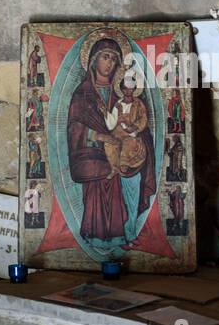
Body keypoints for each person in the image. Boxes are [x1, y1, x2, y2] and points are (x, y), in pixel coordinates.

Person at [66, 35, 156, 250]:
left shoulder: (124, 95)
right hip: (94, 156)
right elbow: (73, 128)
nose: (110, 63)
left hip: (123, 156)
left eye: (114, 60)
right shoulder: (83, 94)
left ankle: (120, 236)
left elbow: (139, 125)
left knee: (120, 198)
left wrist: (133, 137)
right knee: (96, 195)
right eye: (106, 57)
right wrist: (97, 136)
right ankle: (95, 235)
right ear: (94, 60)